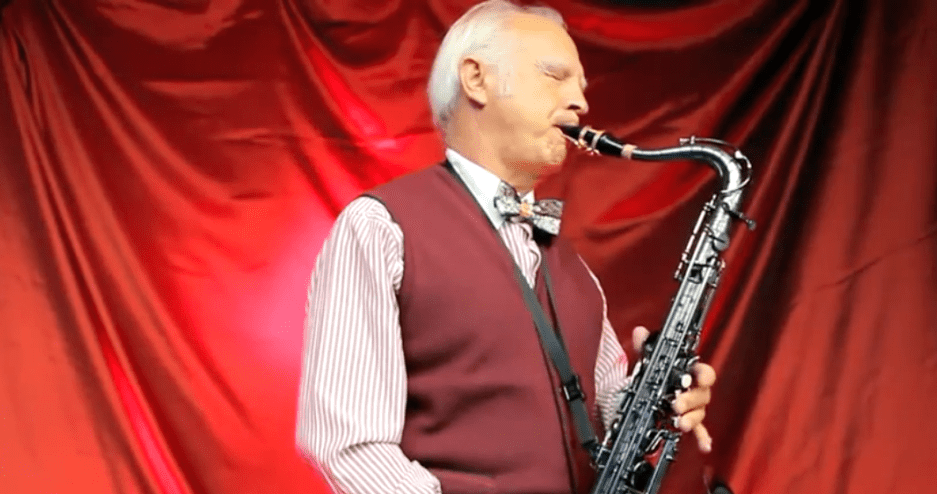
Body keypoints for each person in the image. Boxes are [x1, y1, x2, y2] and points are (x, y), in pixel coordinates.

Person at [295, 1, 717, 493]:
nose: (580, 103)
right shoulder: (379, 228)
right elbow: (348, 445)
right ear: (476, 79)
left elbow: (597, 412)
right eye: (555, 76)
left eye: (581, 86)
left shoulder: (576, 270)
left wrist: (654, 398)